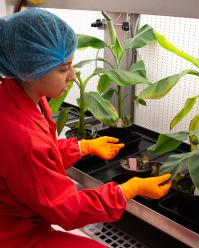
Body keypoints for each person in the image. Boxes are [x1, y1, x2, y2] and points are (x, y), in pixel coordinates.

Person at [0, 8, 172, 248]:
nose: (72, 76)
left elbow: (38, 162)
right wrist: (129, 189)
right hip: (16, 237)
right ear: (32, 69)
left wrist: (82, 147)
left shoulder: (18, 96)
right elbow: (68, 209)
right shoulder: (20, 137)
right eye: (63, 69)